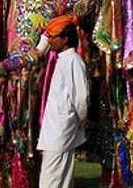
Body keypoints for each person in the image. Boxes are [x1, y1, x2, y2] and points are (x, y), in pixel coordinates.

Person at [37, 14, 90, 188]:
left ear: (65, 39)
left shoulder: (74, 61)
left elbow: (81, 99)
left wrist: (78, 123)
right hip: (57, 131)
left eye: (53, 37)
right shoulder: (63, 60)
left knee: (50, 182)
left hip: (60, 132)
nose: (50, 40)